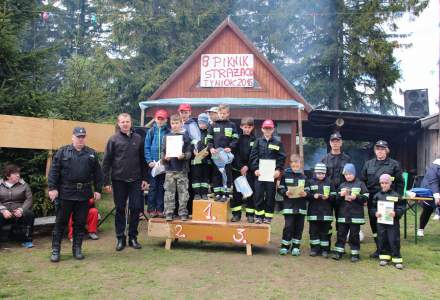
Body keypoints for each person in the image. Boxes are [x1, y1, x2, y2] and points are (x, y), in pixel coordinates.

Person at [48, 127, 103, 262]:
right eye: (78, 136)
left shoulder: (91, 154)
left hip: (84, 194)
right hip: (65, 193)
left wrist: (98, 189)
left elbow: (98, 173)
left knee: (80, 223)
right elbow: (54, 171)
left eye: (83, 136)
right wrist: (52, 188)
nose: (80, 139)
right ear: (72, 137)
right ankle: (56, 250)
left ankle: (77, 249)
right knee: (60, 223)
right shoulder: (62, 152)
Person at [102, 114, 148, 252]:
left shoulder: (138, 139)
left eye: (127, 121)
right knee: (120, 209)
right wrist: (106, 182)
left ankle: (133, 237)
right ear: (118, 123)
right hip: (118, 180)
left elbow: (143, 160)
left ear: (131, 123)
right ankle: (120, 238)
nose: (125, 124)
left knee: (135, 208)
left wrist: (145, 179)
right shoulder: (113, 139)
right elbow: (106, 162)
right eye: (122, 122)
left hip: (135, 180)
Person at [360, 140, 404, 258]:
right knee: (375, 224)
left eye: (382, 149)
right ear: (375, 151)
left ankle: (391, 249)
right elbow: (362, 182)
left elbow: (400, 182)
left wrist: (398, 197)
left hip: (389, 199)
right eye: (378, 149)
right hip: (373, 199)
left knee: (389, 225)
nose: (380, 151)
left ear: (386, 150)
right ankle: (379, 249)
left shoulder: (394, 164)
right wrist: (364, 196)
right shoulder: (368, 164)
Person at [249, 119, 286, 224]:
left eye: (270, 128)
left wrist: (278, 170)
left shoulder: (278, 143)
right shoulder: (258, 141)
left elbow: (282, 158)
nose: (268, 130)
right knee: (259, 195)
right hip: (259, 174)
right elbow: (253, 156)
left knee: (270, 195)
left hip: (271, 175)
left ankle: (268, 216)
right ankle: (258, 216)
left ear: (273, 129)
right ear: (262, 129)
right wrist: (255, 169)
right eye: (266, 128)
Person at [332, 163, 368, 262]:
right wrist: (340, 195)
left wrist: (356, 197)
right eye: (346, 174)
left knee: (354, 235)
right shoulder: (342, 185)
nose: (348, 176)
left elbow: (366, 196)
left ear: (354, 173)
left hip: (355, 215)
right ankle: (339, 252)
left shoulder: (360, 184)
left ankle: (355, 254)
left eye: (350, 174)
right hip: (343, 215)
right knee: (341, 234)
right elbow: (336, 200)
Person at [370, 174, 406, 269]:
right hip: (381, 223)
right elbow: (372, 208)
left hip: (393, 223)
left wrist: (396, 213)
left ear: (390, 183)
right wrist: (375, 213)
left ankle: (396, 258)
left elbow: (402, 207)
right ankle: (384, 257)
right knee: (382, 239)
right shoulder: (377, 196)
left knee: (394, 239)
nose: (384, 185)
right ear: (380, 183)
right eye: (382, 183)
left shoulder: (396, 195)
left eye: (386, 183)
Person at [320, 132, 351, 239]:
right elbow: (320, 177)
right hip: (328, 195)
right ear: (330, 143)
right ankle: (325, 243)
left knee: (341, 219)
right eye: (333, 141)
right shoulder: (324, 159)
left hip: (342, 195)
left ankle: (340, 243)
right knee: (327, 219)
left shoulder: (347, 159)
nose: (335, 143)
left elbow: (350, 177)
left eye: (338, 141)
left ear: (341, 142)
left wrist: (348, 191)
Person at [162, 114, 192, 221]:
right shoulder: (166, 137)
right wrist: (165, 158)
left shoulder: (185, 136)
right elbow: (163, 153)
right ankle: (169, 212)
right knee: (169, 192)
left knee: (183, 192)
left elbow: (189, 153)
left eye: (177, 123)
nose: (175, 125)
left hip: (182, 170)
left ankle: (183, 212)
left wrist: (183, 156)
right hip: (170, 170)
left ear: (181, 123)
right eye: (173, 123)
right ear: (170, 124)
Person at [278, 154, 309, 256]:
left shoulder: (304, 177)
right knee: (288, 226)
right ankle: (284, 246)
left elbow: (308, 191)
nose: (295, 166)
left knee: (299, 227)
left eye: (297, 164)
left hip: (301, 207)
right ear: (290, 164)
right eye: (293, 164)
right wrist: (285, 192)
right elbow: (280, 188)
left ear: (300, 164)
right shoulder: (285, 176)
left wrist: (305, 193)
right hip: (289, 206)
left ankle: (296, 247)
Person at [206, 104, 239, 201]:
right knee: (216, 174)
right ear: (218, 113)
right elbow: (209, 139)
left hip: (227, 155)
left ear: (228, 114)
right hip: (216, 155)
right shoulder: (213, 125)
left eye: (224, 113)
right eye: (220, 113)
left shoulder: (232, 125)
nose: (222, 115)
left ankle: (226, 194)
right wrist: (211, 148)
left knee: (227, 173)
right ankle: (217, 193)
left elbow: (236, 138)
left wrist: (230, 147)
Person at [0, 164, 34, 248]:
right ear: (8, 176)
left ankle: (27, 240)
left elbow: (29, 199)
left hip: (19, 211)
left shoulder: (24, 185)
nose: (18, 175)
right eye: (15, 174)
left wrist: (21, 210)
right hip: (3, 212)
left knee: (29, 214)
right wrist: (3, 210)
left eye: (18, 173)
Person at [144, 109, 170, 218]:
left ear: (166, 120)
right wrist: (149, 161)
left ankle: (160, 209)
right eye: (158, 118)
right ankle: (151, 209)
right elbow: (146, 147)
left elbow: (171, 147)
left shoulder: (169, 132)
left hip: (164, 165)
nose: (160, 120)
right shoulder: (151, 131)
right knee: (153, 187)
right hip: (153, 165)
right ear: (155, 119)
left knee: (162, 187)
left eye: (162, 119)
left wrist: (167, 159)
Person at [231, 117, 257, 222]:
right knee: (237, 193)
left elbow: (254, 155)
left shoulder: (255, 140)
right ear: (241, 127)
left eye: (249, 127)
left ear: (252, 127)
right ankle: (236, 214)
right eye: (245, 127)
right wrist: (240, 166)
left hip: (250, 171)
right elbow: (235, 154)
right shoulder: (237, 139)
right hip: (237, 170)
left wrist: (247, 166)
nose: (247, 129)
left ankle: (250, 214)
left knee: (250, 193)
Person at [307, 163, 334, 258]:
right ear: (315, 173)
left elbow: (335, 196)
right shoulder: (310, 182)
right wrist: (312, 196)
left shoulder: (330, 182)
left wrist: (329, 197)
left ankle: (325, 250)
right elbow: (306, 195)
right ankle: (314, 249)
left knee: (325, 232)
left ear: (325, 173)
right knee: (313, 231)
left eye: (322, 173)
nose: (320, 175)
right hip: (313, 212)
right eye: (318, 173)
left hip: (326, 213)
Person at [417, 159, 440, 236]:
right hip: (428, 190)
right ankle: (420, 229)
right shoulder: (434, 168)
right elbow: (434, 182)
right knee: (427, 210)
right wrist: (437, 196)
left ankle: (438, 213)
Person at [191, 113, 210, 200]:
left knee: (205, 177)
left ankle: (204, 193)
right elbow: (191, 144)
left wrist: (208, 152)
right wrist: (193, 151)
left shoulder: (209, 132)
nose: (202, 125)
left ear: (207, 123)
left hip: (206, 160)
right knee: (196, 176)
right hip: (196, 160)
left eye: (204, 123)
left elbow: (211, 144)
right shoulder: (195, 133)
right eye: (200, 123)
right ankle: (197, 193)